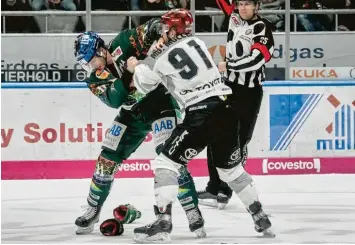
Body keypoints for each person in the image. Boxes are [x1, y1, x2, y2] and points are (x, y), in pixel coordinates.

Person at [127, 8, 274, 243]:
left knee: (166, 162)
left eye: (166, 28)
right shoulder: (198, 43)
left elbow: (146, 84)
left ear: (174, 30)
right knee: (231, 170)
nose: (163, 33)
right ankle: (259, 215)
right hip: (227, 110)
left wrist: (137, 67)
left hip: (200, 113)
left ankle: (163, 221)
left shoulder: (163, 57)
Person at [73, 13, 205, 237]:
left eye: (91, 60)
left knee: (170, 159)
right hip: (130, 114)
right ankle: (93, 209)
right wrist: (129, 73)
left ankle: (193, 211)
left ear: (101, 50)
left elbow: (148, 29)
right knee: (106, 160)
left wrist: (159, 29)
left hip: (160, 102)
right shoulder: (94, 79)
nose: (89, 66)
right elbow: (114, 100)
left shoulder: (123, 42)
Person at [197, 0, 275, 212]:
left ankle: (226, 189)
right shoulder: (234, 16)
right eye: (240, 3)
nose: (242, 8)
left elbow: (259, 59)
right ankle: (214, 188)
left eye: (248, 4)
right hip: (228, 87)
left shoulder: (262, 28)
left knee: (239, 141)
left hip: (249, 93)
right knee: (215, 134)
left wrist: (229, 65)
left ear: (256, 6)